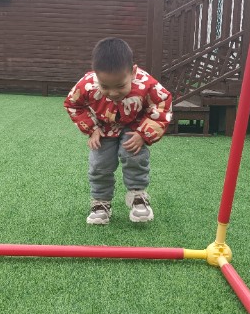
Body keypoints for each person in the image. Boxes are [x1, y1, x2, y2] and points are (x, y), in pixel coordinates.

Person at [64, 37, 173, 225]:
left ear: (133, 72)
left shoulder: (146, 83)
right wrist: (92, 129)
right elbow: (73, 104)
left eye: (121, 86)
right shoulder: (87, 84)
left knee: (133, 155)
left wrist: (143, 133)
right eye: (105, 86)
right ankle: (100, 203)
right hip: (103, 127)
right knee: (99, 164)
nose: (113, 93)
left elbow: (162, 104)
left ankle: (138, 196)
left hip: (134, 127)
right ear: (95, 75)